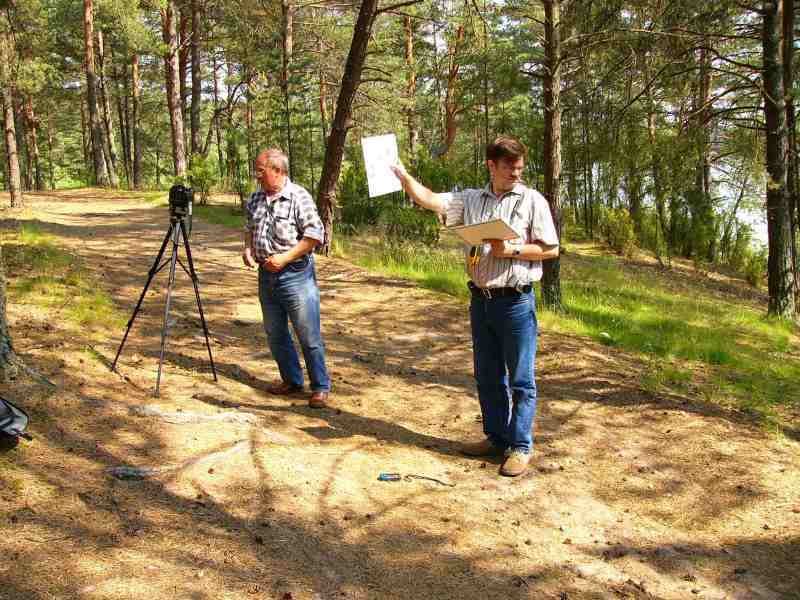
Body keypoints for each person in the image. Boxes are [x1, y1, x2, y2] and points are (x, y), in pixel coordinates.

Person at [391, 136, 559, 477]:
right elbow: (432, 201)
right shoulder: (471, 199)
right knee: (487, 375)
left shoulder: (532, 200)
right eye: (510, 168)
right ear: (491, 166)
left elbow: (550, 248)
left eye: (520, 168)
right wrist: (404, 177)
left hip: (515, 302)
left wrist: (509, 250)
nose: (516, 173)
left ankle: (520, 447)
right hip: (481, 302)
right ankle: (496, 437)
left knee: (522, 379)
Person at [242, 148, 331, 408]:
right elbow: (249, 227)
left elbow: (316, 235)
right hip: (265, 276)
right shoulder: (256, 197)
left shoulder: (298, 196)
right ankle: (291, 380)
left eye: (261, 171)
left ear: (278, 171)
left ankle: (320, 387)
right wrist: (247, 249)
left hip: (295, 275)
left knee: (308, 334)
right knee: (275, 333)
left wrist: (285, 258)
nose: (257, 176)